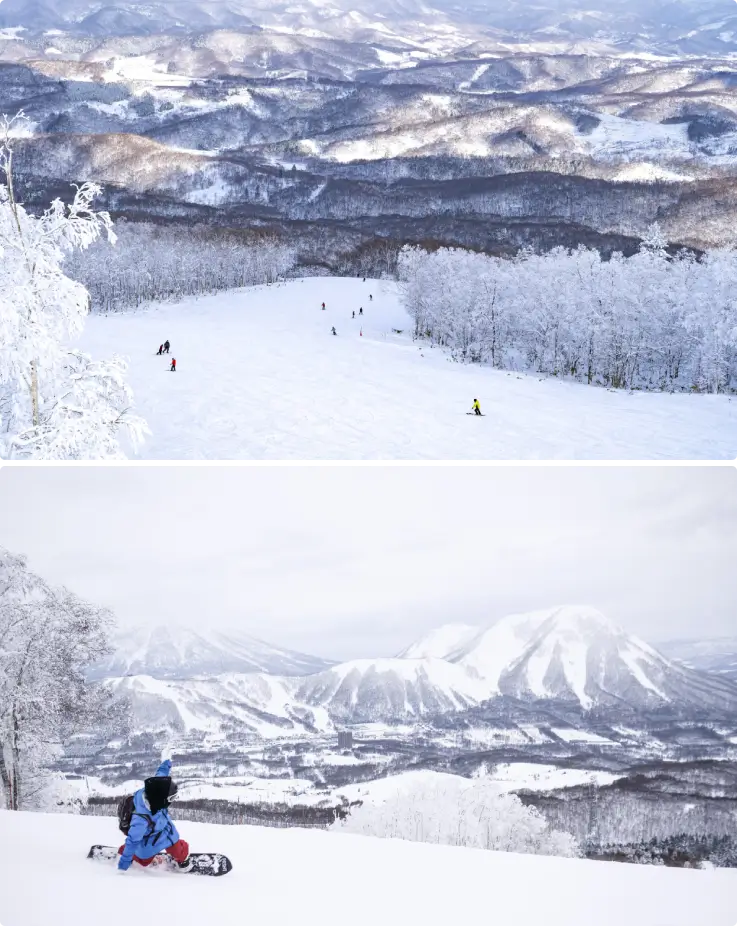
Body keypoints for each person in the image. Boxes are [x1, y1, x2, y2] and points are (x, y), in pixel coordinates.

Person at [118, 759, 191, 872]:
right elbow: (133, 841)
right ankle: (127, 852)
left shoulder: (154, 790)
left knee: (178, 850)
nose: (172, 801)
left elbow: (161, 776)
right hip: (150, 838)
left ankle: (182, 858)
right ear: (162, 799)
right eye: (171, 798)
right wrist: (123, 864)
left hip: (164, 829)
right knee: (143, 859)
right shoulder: (140, 820)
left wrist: (166, 764)